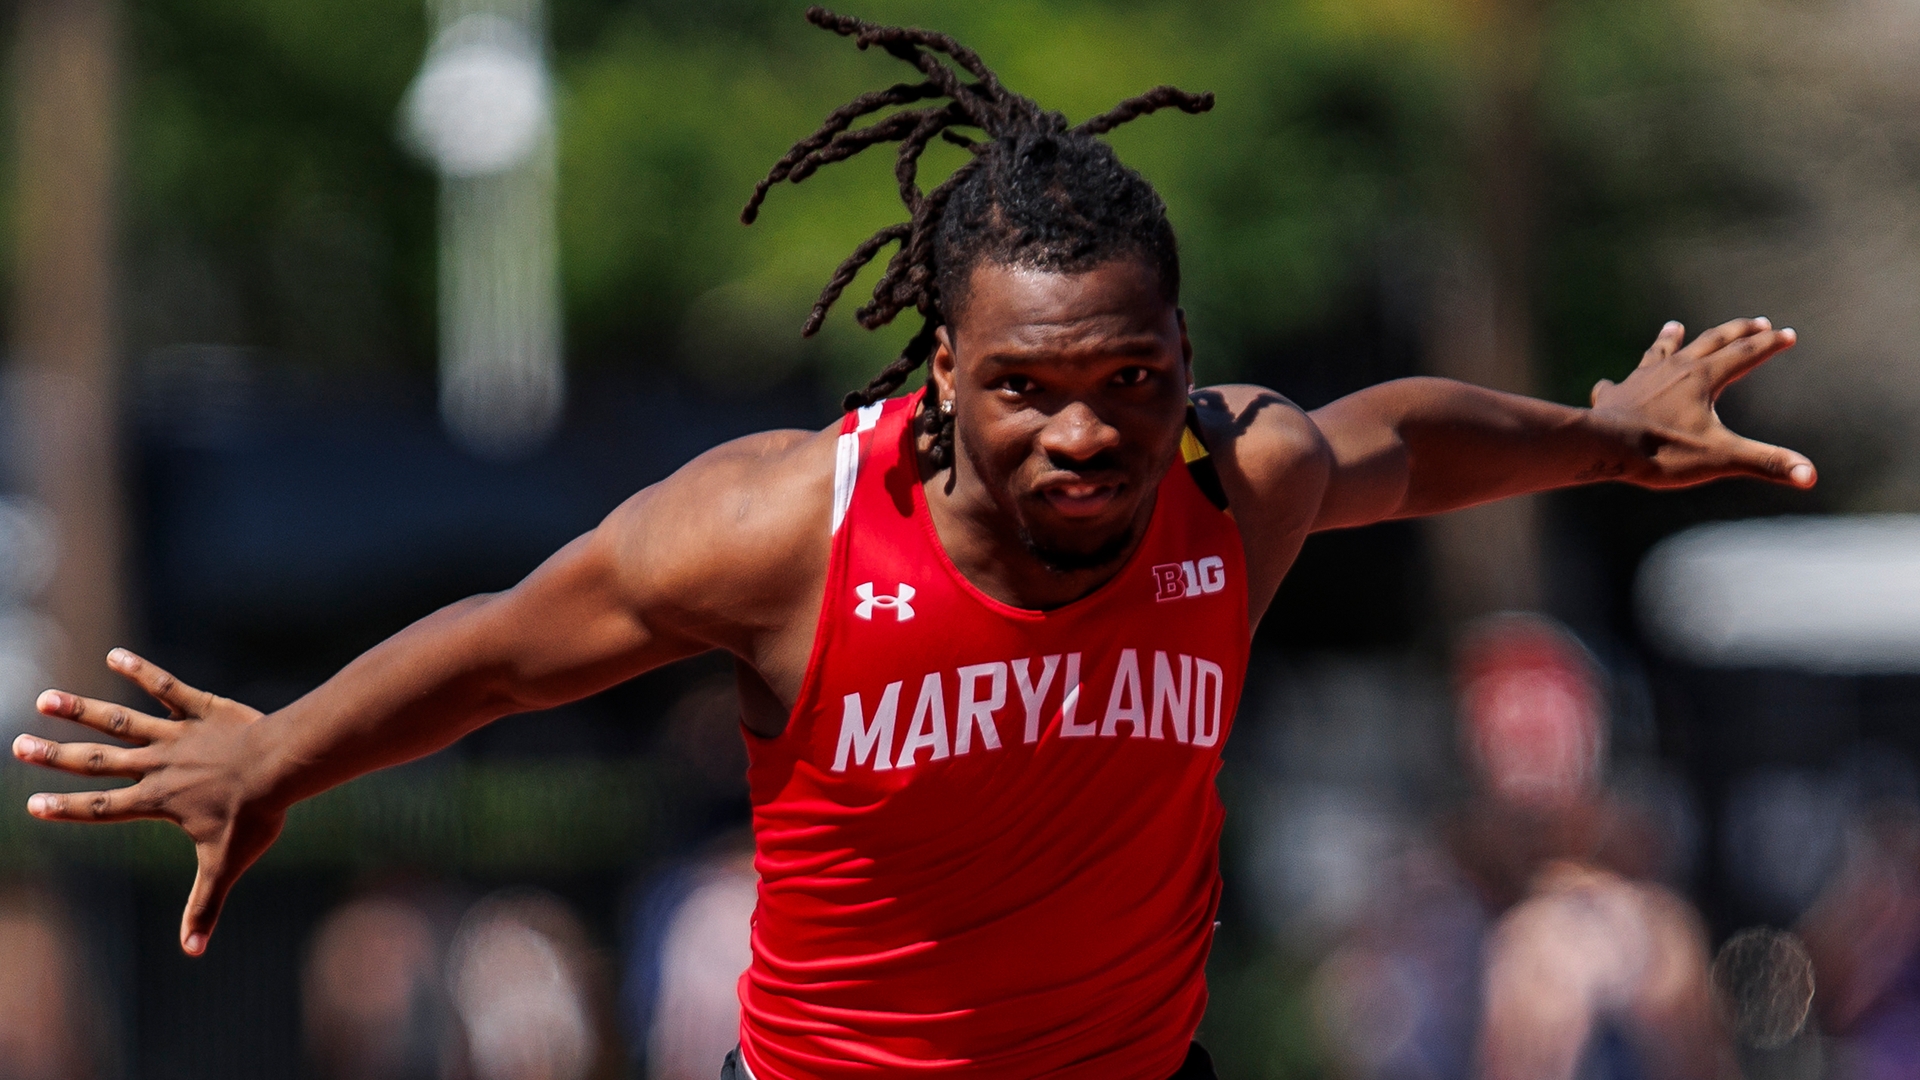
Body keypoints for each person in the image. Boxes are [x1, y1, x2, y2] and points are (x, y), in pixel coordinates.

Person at [9, 8, 1813, 1080]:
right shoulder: (782, 529)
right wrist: (277, 753)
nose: (1090, 428)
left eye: (1136, 374)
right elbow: (498, 644)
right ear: (944, 368)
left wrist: (1602, 439)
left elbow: (1399, 441)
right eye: (1034, 387)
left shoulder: (1223, 483)